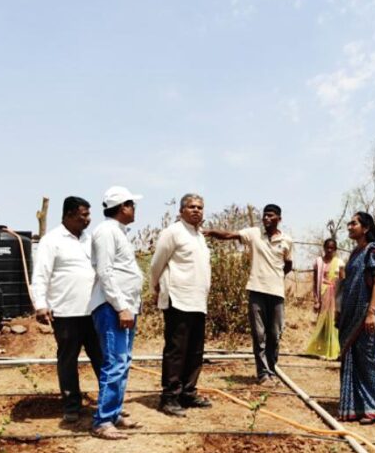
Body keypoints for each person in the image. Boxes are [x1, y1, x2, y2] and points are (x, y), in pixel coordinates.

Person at [31, 196, 103, 425]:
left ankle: (109, 403)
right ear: (69, 215)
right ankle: (72, 405)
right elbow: (40, 275)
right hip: (66, 312)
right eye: (84, 215)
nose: (88, 219)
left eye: (89, 215)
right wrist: (40, 304)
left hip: (93, 311)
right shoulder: (52, 240)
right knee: (68, 359)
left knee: (101, 358)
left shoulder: (90, 240)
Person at [204, 204, 293, 386]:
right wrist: (210, 232)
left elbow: (288, 264)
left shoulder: (287, 240)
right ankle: (263, 374)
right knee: (259, 335)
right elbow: (229, 235)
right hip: (256, 291)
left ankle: (272, 370)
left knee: (274, 334)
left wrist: (275, 277)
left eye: (270, 215)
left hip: (277, 294)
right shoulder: (254, 234)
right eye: (264, 215)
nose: (266, 218)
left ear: (279, 219)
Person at [88, 186, 144, 439]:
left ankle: (113, 413)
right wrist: (121, 307)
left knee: (123, 361)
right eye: (132, 205)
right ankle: (103, 421)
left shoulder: (118, 232)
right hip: (113, 307)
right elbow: (105, 272)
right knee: (115, 361)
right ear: (123, 207)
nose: (134, 209)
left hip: (124, 307)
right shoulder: (106, 232)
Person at [149, 194, 213, 417]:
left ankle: (188, 392)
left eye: (200, 207)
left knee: (195, 351)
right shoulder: (173, 232)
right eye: (191, 207)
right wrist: (155, 288)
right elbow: (156, 264)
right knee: (177, 351)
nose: (196, 210)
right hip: (178, 299)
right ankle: (170, 396)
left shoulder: (199, 235)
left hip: (198, 301)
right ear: (181, 210)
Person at [337, 212, 375, 424]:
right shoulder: (355, 253)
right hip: (351, 317)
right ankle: (358, 407)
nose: (349, 226)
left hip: (367, 315)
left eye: (353, 223)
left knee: (372, 360)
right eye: (349, 223)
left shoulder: (374, 251)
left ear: (365, 228)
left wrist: (371, 312)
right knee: (356, 360)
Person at [305, 238, 345, 360]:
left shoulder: (339, 263)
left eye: (332, 248)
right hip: (323, 295)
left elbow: (343, 282)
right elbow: (315, 281)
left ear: (335, 249)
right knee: (322, 322)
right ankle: (321, 350)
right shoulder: (319, 262)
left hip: (335, 296)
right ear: (324, 248)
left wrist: (341, 300)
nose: (329, 250)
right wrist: (316, 299)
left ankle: (334, 351)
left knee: (333, 323)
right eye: (327, 247)